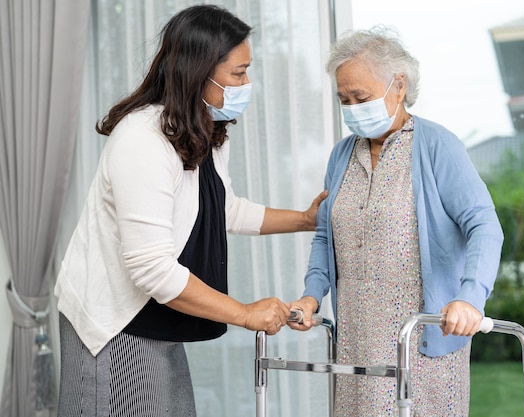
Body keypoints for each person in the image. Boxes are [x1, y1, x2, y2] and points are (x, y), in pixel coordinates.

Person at [54, 5, 326, 416]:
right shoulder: (142, 140)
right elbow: (151, 268)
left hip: (157, 317)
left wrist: (305, 220)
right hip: (114, 325)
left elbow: (225, 210)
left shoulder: (205, 132)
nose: (247, 83)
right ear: (199, 72)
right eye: (238, 73)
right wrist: (244, 313)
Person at [288, 27, 504, 416]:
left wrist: (471, 298)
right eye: (344, 99)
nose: (352, 108)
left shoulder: (438, 146)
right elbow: (325, 237)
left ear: (398, 85)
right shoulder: (341, 156)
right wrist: (311, 293)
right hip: (357, 341)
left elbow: (484, 226)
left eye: (362, 97)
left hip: (423, 340)